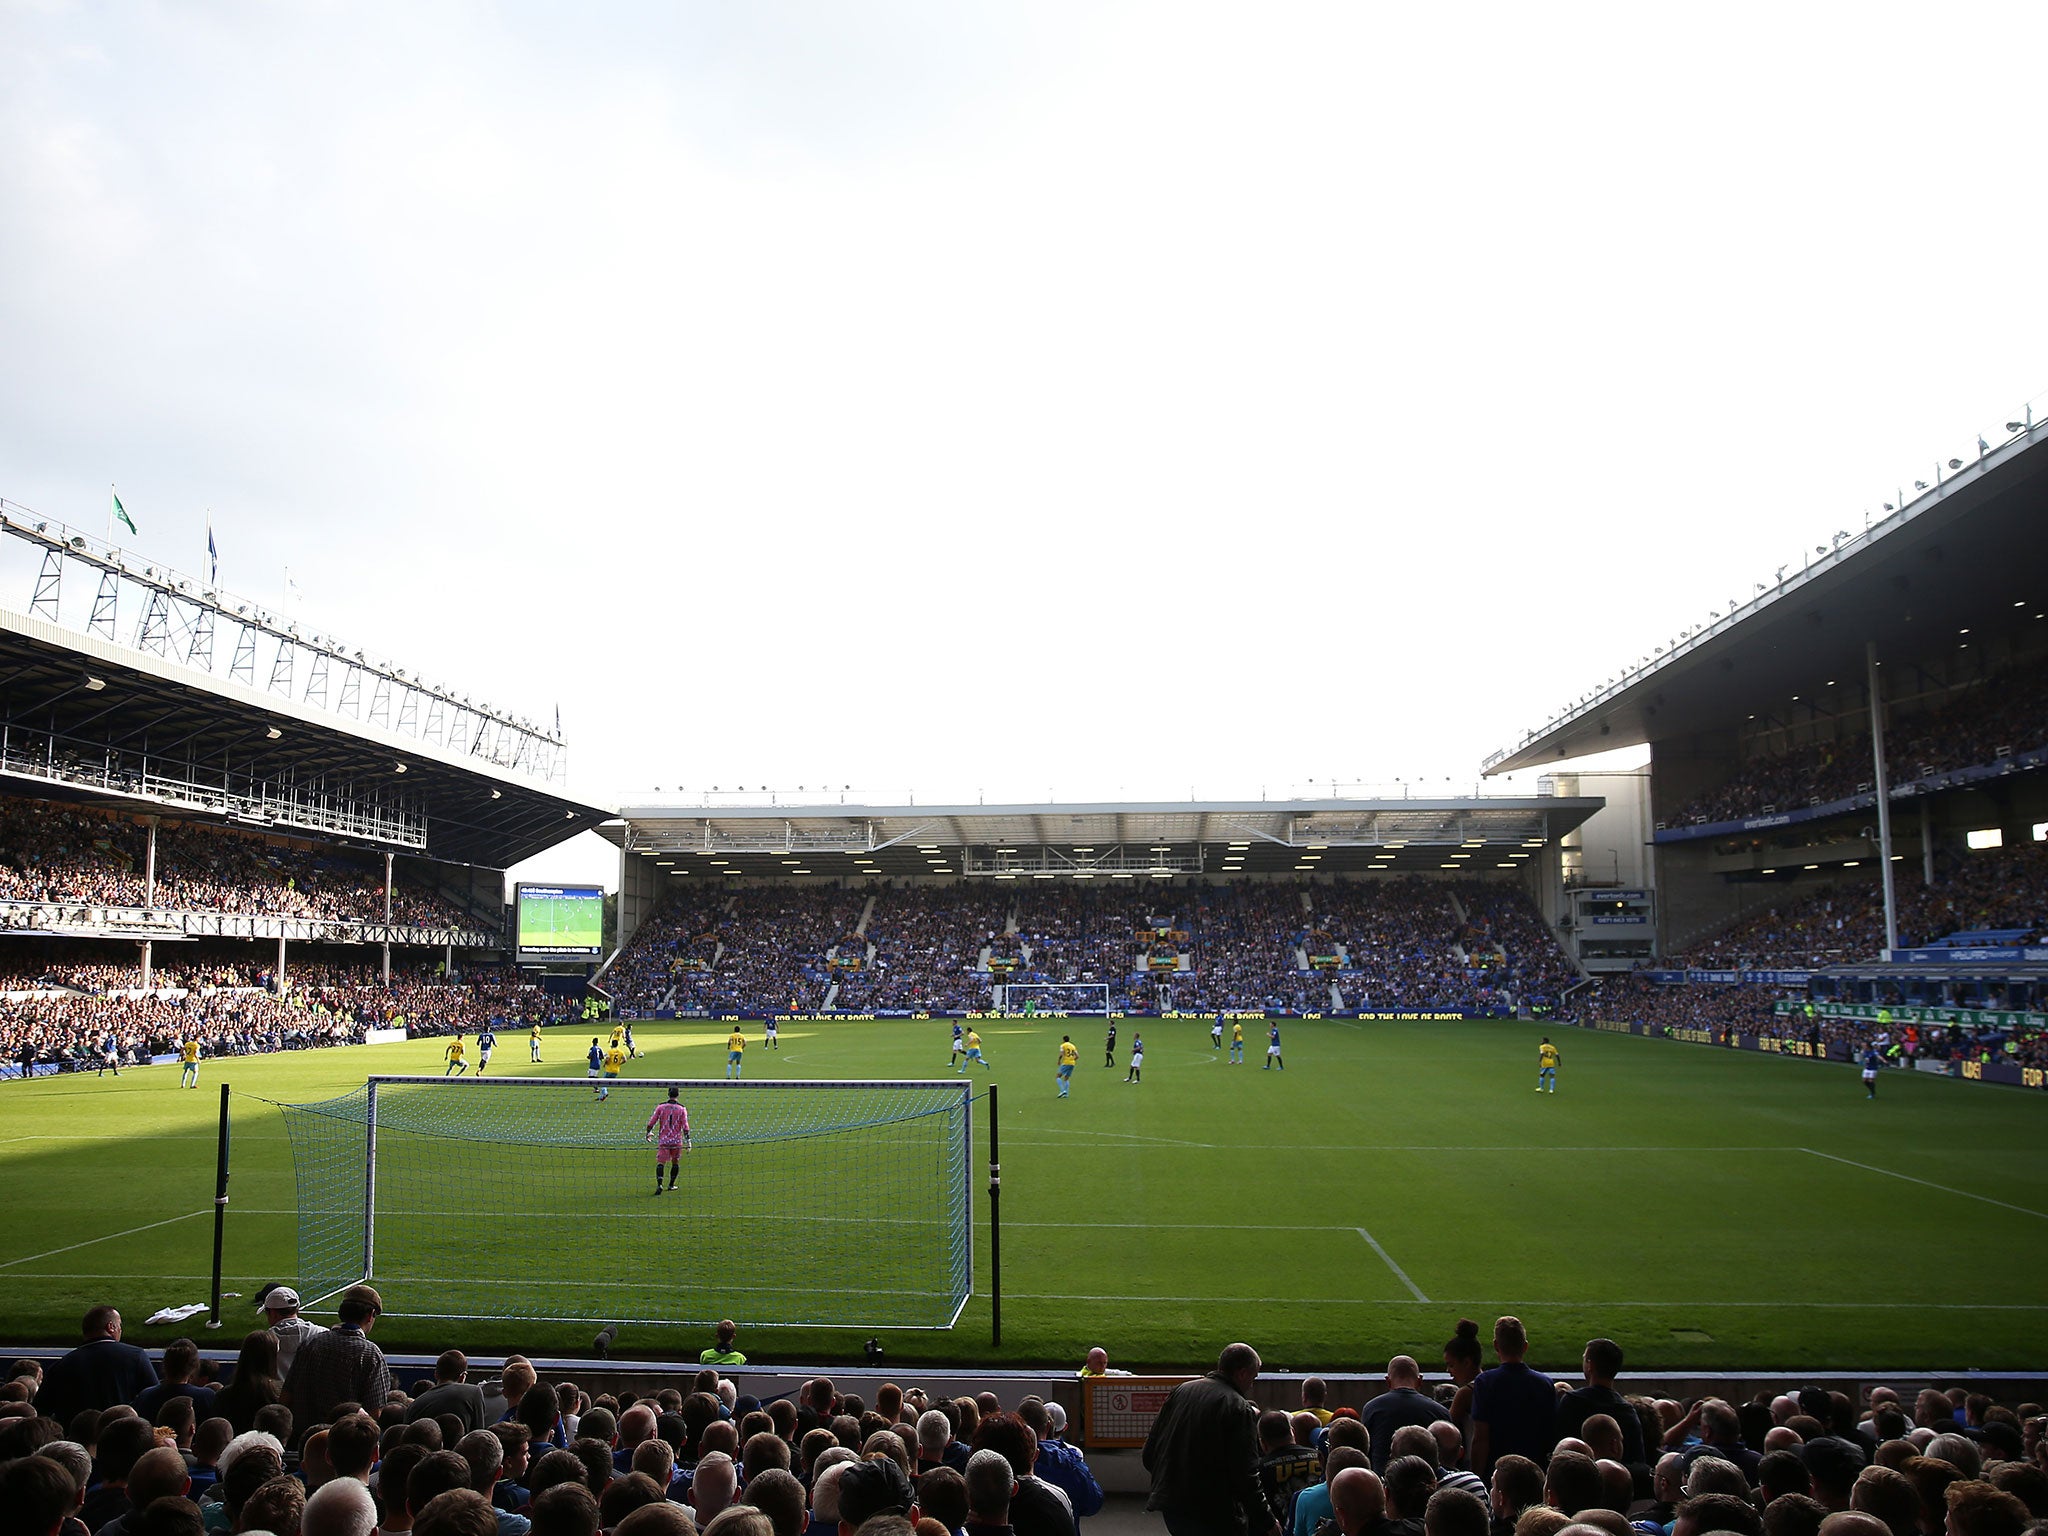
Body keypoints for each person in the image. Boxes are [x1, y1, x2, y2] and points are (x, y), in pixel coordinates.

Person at [1142, 1342, 1277, 1536]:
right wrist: (1268, 1522)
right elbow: (1246, 1475)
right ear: (1242, 1373)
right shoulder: (1238, 1408)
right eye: (1253, 1377)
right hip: (1213, 1513)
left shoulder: (1181, 1391)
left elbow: (1150, 1452)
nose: (1252, 1384)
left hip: (1172, 1505)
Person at [282, 1284, 391, 1435]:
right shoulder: (371, 1354)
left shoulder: (310, 1343)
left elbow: (286, 1396)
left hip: (303, 1438)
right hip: (344, 1441)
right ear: (370, 1315)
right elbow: (375, 1412)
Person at [38, 1306, 158, 1426]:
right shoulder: (136, 1356)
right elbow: (154, 1397)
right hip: (124, 1435)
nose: (120, 1330)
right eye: (119, 1325)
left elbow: (41, 1410)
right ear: (111, 1327)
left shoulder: (61, 1364)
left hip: (77, 1438)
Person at [1468, 1317, 1554, 1478]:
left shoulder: (1486, 1382)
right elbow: (1549, 1434)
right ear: (1525, 1346)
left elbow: (1480, 1437)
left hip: (1497, 1472)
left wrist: (1476, 1477)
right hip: (1534, 1472)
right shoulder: (1544, 1384)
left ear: (1496, 1345)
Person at [1553, 1339, 1644, 1466]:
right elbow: (1637, 1458)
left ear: (1590, 1365)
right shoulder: (1627, 1411)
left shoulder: (1572, 1402)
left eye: (1585, 1359)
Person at [1360, 1358, 1448, 1472]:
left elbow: (1365, 1450)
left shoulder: (1372, 1409)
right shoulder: (1439, 1412)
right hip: (1429, 1483)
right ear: (1420, 1380)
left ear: (1388, 1381)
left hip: (1383, 1481)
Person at [409, 1352, 487, 1434]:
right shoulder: (473, 1393)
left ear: (436, 1374)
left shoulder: (416, 1404)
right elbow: (478, 1433)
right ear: (463, 1376)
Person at [257, 1285, 321, 1379]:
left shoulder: (262, 1342)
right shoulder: (322, 1334)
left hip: (275, 1392)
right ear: (297, 1309)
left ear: (273, 1313)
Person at [645, 1087, 691, 1194]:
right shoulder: (682, 1109)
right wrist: (688, 1140)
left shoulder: (661, 1107)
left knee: (661, 1163)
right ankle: (671, 1185)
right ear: (678, 1095)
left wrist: (648, 1132)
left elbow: (651, 1122)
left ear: (668, 1094)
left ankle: (659, 1184)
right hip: (676, 1141)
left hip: (664, 1140)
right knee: (675, 1162)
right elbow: (685, 1126)